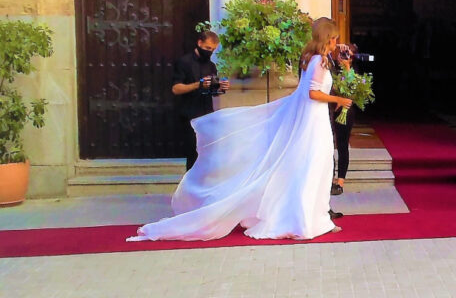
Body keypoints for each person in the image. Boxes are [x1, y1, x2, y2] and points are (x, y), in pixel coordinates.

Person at [128, 17, 352, 242]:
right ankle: (308, 218)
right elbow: (312, 93)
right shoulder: (319, 62)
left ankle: (314, 216)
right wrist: (339, 99)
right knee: (315, 166)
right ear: (328, 38)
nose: (336, 43)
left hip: (313, 119)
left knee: (312, 166)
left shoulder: (311, 59)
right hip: (313, 121)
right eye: (334, 39)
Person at [171, 30, 229, 170]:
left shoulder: (211, 66)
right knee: (193, 153)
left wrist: (220, 88)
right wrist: (198, 84)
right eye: (207, 48)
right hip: (189, 114)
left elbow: (212, 92)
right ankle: (190, 185)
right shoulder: (183, 62)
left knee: (206, 153)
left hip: (207, 114)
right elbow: (176, 88)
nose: (209, 52)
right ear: (199, 43)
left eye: (213, 50)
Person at [329, 42, 357, 196]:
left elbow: (353, 88)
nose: (344, 57)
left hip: (346, 111)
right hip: (330, 109)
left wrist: (347, 68)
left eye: (348, 55)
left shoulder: (352, 71)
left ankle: (340, 180)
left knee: (342, 144)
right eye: (343, 54)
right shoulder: (330, 67)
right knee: (328, 145)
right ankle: (330, 177)